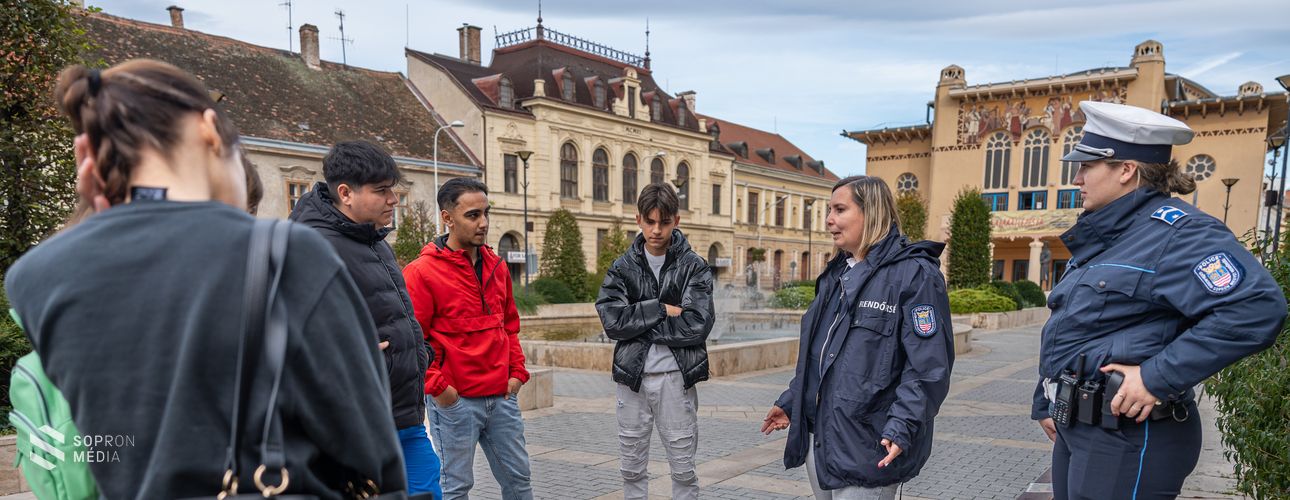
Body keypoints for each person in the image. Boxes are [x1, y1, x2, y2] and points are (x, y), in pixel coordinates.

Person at [4, 59, 405, 498]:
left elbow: (112, 438)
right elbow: (369, 447)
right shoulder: (286, 253)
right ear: (210, 129)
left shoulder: (37, 276)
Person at [1031, 101, 1287, 500]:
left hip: (1130, 436)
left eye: (1087, 166)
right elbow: (1075, 324)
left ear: (1126, 170)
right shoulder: (1109, 235)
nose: (1077, 178)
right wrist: (1046, 399)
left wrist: (1155, 377)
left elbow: (1256, 308)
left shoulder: (1180, 233)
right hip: (1081, 427)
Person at [761, 176, 953, 500]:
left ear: (871, 212)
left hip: (870, 445)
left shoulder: (915, 275)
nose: (828, 220)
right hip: (821, 439)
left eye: (839, 210)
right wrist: (793, 401)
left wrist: (902, 425)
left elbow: (928, 366)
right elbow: (822, 356)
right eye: (829, 210)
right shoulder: (837, 274)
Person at [289, 140, 440, 498]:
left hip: (405, 416)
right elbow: (289, 337)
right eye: (382, 191)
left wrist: (420, 353)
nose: (393, 199)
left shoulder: (375, 241)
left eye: (393, 190)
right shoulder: (310, 245)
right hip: (355, 426)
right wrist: (350, 357)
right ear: (345, 193)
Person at [402, 177, 532, 500]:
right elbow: (414, 342)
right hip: (455, 403)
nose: (483, 222)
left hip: (502, 398)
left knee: (519, 482)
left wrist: (517, 373)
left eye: (486, 213)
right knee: (455, 488)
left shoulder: (497, 266)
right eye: (473, 215)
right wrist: (440, 390)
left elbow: (509, 326)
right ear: (447, 218)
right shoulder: (421, 272)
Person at [596, 183, 715, 500]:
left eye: (664, 222)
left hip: (676, 379)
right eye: (650, 222)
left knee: (684, 470)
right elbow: (612, 322)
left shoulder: (694, 266)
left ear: (677, 220)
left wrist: (636, 322)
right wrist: (660, 309)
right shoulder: (622, 267)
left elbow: (697, 326)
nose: (657, 230)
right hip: (631, 380)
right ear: (638, 219)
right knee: (631, 470)